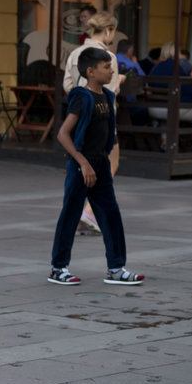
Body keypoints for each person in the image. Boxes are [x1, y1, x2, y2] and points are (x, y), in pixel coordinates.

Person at [48, 47, 144, 286]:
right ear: (91, 72)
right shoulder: (82, 98)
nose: (112, 71)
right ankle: (58, 268)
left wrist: (103, 160)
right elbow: (63, 134)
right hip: (82, 165)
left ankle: (116, 268)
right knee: (70, 214)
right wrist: (82, 162)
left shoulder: (107, 97)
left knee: (111, 215)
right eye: (106, 67)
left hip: (100, 164)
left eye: (111, 67)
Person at [63, 12, 121, 234]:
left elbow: (67, 84)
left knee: (79, 165)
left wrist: (80, 98)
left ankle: (79, 211)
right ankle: (89, 211)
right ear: (108, 31)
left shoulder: (74, 53)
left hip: (78, 117)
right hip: (102, 119)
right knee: (108, 164)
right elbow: (110, 91)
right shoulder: (107, 57)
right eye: (113, 31)